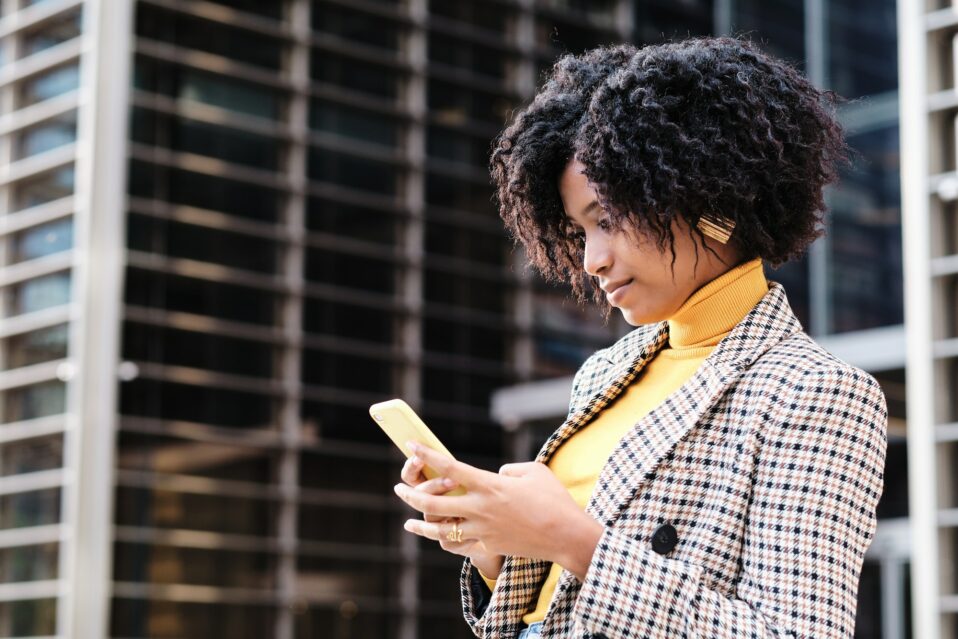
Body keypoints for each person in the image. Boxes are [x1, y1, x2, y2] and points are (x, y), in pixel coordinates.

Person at [393, 37, 887, 638]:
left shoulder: (817, 391)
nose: (593, 260)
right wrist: (497, 545)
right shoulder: (607, 372)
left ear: (701, 198)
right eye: (579, 232)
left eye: (608, 220)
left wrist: (570, 538)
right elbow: (565, 604)